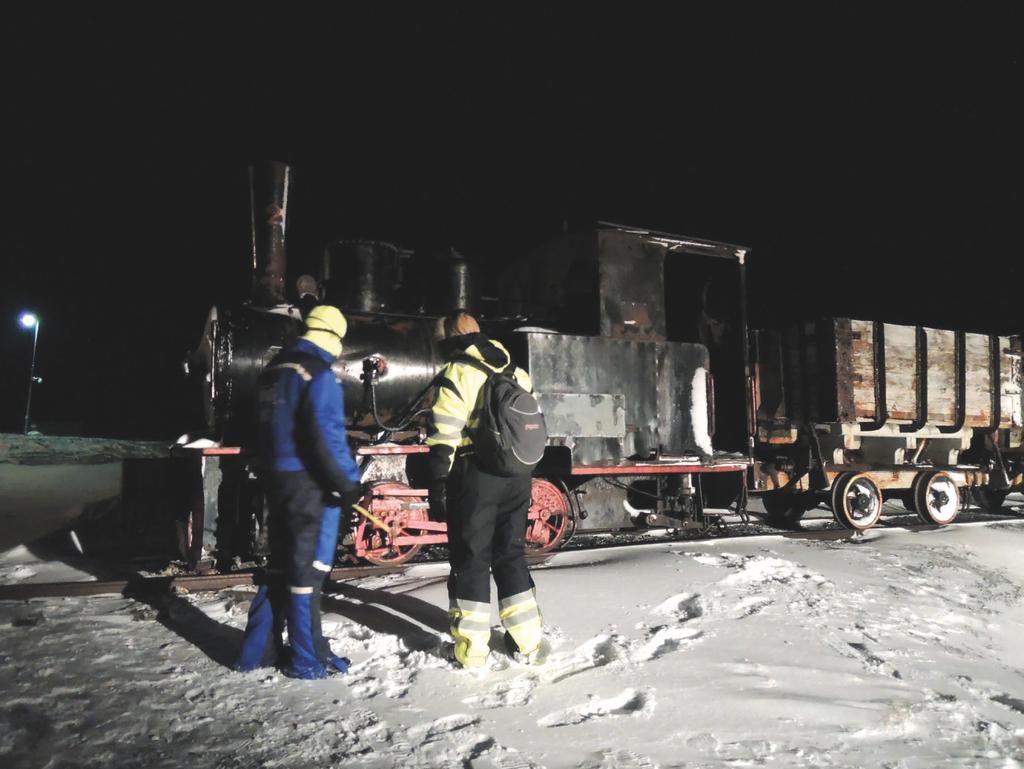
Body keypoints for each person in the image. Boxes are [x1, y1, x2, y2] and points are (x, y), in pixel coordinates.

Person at [234, 305, 362, 679]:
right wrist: (348, 483)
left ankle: (255, 652)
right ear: (334, 337)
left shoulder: (274, 370)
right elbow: (328, 437)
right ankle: (307, 660)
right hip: (311, 487)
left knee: (279, 568)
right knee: (308, 574)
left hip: (277, 481)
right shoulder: (318, 374)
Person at [426, 311, 545, 668]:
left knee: (472, 560)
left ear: (449, 338)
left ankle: (472, 651)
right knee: (510, 554)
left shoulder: (457, 372)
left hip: (476, 476)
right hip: (516, 475)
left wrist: (437, 483)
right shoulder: (515, 370)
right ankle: (528, 642)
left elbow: (444, 433)